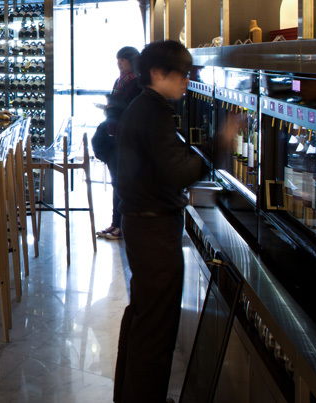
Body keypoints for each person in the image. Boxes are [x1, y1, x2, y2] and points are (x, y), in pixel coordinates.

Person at [112, 40, 230, 403]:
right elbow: (180, 172)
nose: (186, 81)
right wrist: (219, 144)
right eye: (181, 74)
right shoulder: (153, 111)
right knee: (156, 326)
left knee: (144, 316)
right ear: (157, 73)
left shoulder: (146, 106)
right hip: (153, 231)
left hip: (142, 225)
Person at [95, 46, 141, 240]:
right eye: (118, 60)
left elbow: (130, 109)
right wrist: (110, 108)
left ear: (131, 61)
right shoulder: (120, 81)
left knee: (121, 183)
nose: (119, 63)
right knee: (117, 182)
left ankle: (121, 226)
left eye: (122, 60)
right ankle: (116, 223)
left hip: (125, 139)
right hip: (114, 136)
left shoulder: (136, 83)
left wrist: (111, 107)